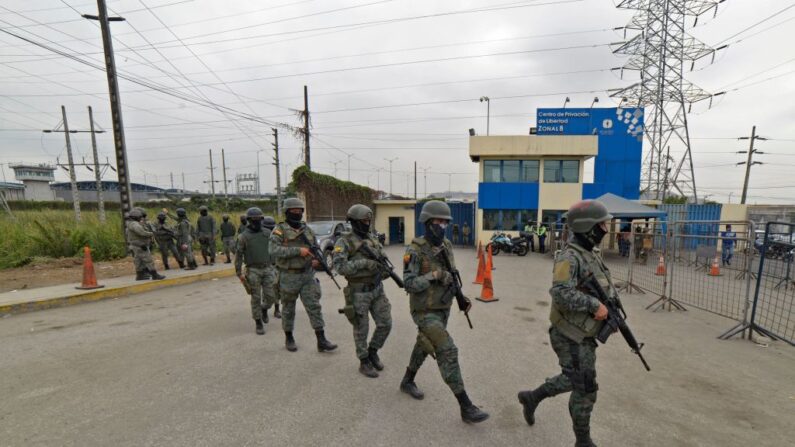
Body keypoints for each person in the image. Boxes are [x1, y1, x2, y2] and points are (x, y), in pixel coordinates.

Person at [517, 200, 615, 447]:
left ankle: (533, 397)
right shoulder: (569, 257)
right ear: (588, 227)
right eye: (602, 224)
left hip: (582, 331)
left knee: (577, 381)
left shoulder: (589, 254)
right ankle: (582, 441)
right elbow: (560, 292)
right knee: (585, 385)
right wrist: (595, 306)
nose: (606, 228)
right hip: (569, 333)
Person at [400, 200, 489, 424]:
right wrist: (434, 276)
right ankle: (465, 405)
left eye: (445, 222)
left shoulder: (447, 245)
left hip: (443, 308)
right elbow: (408, 283)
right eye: (439, 222)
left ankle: (407, 380)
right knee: (447, 350)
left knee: (424, 343)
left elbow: (452, 274)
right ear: (428, 223)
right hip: (424, 310)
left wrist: (460, 297)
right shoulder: (415, 250)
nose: (443, 226)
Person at [269, 197, 337, 353]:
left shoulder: (307, 230)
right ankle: (289, 337)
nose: (297, 213)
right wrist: (298, 251)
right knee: (288, 309)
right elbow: (273, 251)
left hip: (307, 275)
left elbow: (315, 248)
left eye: (300, 211)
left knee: (314, 307)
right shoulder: (279, 230)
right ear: (287, 212)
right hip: (288, 276)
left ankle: (321, 340)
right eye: (294, 211)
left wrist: (316, 261)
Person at [333, 204, 393, 378]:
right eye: (363, 221)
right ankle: (364, 361)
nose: (367, 223)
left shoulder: (372, 238)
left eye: (369, 220)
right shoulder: (344, 241)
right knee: (361, 329)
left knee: (386, 323)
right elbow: (340, 266)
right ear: (353, 222)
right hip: (358, 292)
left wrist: (384, 269)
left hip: (377, 289)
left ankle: (373, 351)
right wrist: (365, 264)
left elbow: (382, 257)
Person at [236, 207, 279, 335]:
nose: (256, 222)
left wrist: (277, 264)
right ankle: (258, 322)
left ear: (262, 219)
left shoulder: (267, 233)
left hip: (268, 268)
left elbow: (274, 249)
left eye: (259, 219)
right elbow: (238, 255)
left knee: (272, 296)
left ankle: (264, 308)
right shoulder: (243, 236)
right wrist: (239, 273)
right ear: (249, 220)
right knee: (255, 297)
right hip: (252, 269)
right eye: (253, 220)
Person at [127, 208, 165, 281]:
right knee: (148, 259)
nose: (141, 218)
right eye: (139, 217)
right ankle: (154, 275)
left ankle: (140, 275)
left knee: (138, 260)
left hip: (136, 244)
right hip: (140, 245)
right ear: (136, 217)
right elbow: (142, 232)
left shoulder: (131, 224)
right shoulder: (135, 224)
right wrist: (151, 234)